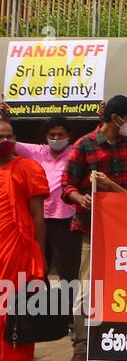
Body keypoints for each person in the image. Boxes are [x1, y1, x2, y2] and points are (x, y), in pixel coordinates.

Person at [60, 95, 127, 361]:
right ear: (116, 118)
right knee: (86, 292)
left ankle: (121, 345)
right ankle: (80, 349)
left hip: (125, 230)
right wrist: (79, 198)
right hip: (92, 228)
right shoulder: (84, 145)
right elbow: (66, 186)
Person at [0, 105, 80, 285]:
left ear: (69, 136)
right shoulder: (36, 152)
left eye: (60, 135)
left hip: (65, 221)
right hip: (37, 219)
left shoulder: (76, 152)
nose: (56, 138)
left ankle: (68, 311)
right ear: (46, 136)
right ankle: (39, 310)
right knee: (37, 269)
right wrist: (6, 120)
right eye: (52, 135)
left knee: (68, 272)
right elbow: (7, 142)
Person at [0, 118, 49, 361]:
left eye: (9, 135)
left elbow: (38, 216)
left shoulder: (28, 167)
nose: (4, 141)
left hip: (16, 248)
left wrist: (38, 254)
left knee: (13, 310)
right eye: (0, 136)